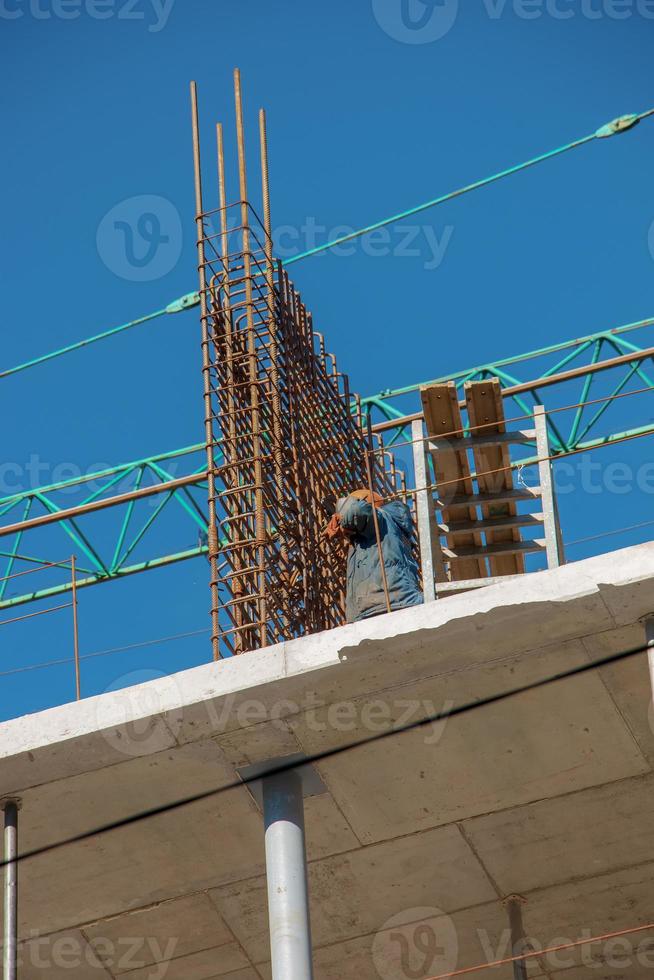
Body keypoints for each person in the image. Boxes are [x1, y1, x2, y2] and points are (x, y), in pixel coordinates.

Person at [324, 488, 423, 624]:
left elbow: (359, 511)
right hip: (377, 609)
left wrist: (341, 518)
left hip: (391, 604)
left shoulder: (382, 518)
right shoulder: (377, 534)